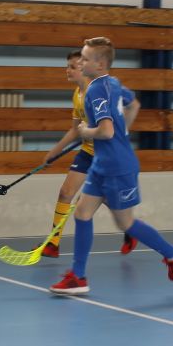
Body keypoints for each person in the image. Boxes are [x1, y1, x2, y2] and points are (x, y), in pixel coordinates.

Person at [50, 37, 173, 295]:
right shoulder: (112, 83)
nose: (80, 62)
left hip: (117, 167)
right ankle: (78, 277)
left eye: (85, 59)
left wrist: (85, 131)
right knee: (82, 213)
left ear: (100, 65)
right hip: (102, 164)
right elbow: (133, 104)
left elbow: (106, 131)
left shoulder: (95, 90)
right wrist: (123, 132)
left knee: (126, 224)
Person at [40, 49, 135, 259]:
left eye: (72, 67)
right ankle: (53, 244)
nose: (68, 70)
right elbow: (75, 130)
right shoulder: (77, 94)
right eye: (67, 66)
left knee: (101, 200)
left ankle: (131, 230)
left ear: (83, 68)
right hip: (87, 152)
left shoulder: (99, 91)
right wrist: (54, 152)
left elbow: (117, 118)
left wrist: (112, 132)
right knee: (66, 192)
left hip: (105, 155)